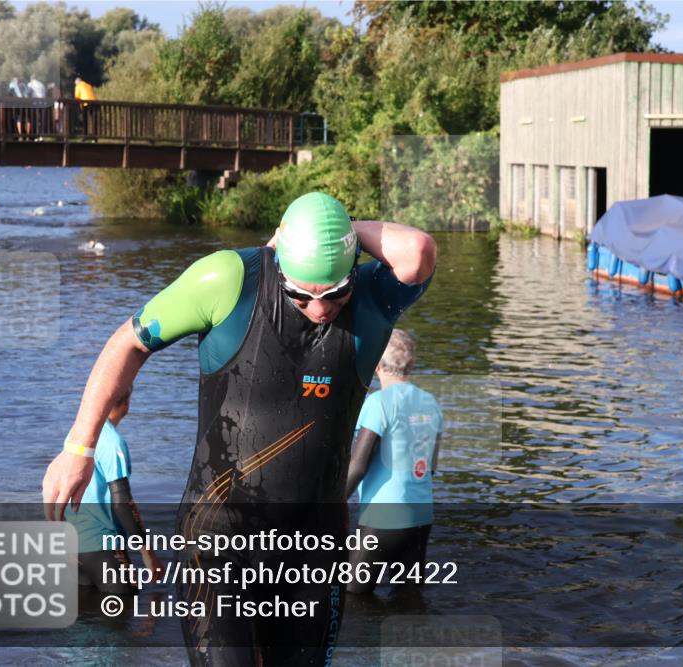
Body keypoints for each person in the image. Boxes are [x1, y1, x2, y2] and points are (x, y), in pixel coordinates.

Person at [43, 191, 437, 666]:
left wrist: (332, 231)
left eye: (333, 292)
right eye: (301, 293)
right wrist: (78, 447)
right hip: (217, 537)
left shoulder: (373, 298)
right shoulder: (230, 279)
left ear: (354, 268)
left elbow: (417, 251)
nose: (320, 308)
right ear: (280, 264)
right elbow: (128, 343)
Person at [345, 329, 443, 595]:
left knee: (353, 595)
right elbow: (430, 467)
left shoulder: (378, 403)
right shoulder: (431, 403)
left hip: (384, 516)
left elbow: (358, 465)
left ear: (376, 364)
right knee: (408, 598)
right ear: (412, 365)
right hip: (422, 514)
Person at [67, 385, 163, 595]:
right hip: (105, 550)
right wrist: (148, 553)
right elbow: (122, 503)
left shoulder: (76, 436)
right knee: (127, 613)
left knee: (86, 620)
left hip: (74, 550)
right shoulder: (113, 442)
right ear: (126, 403)